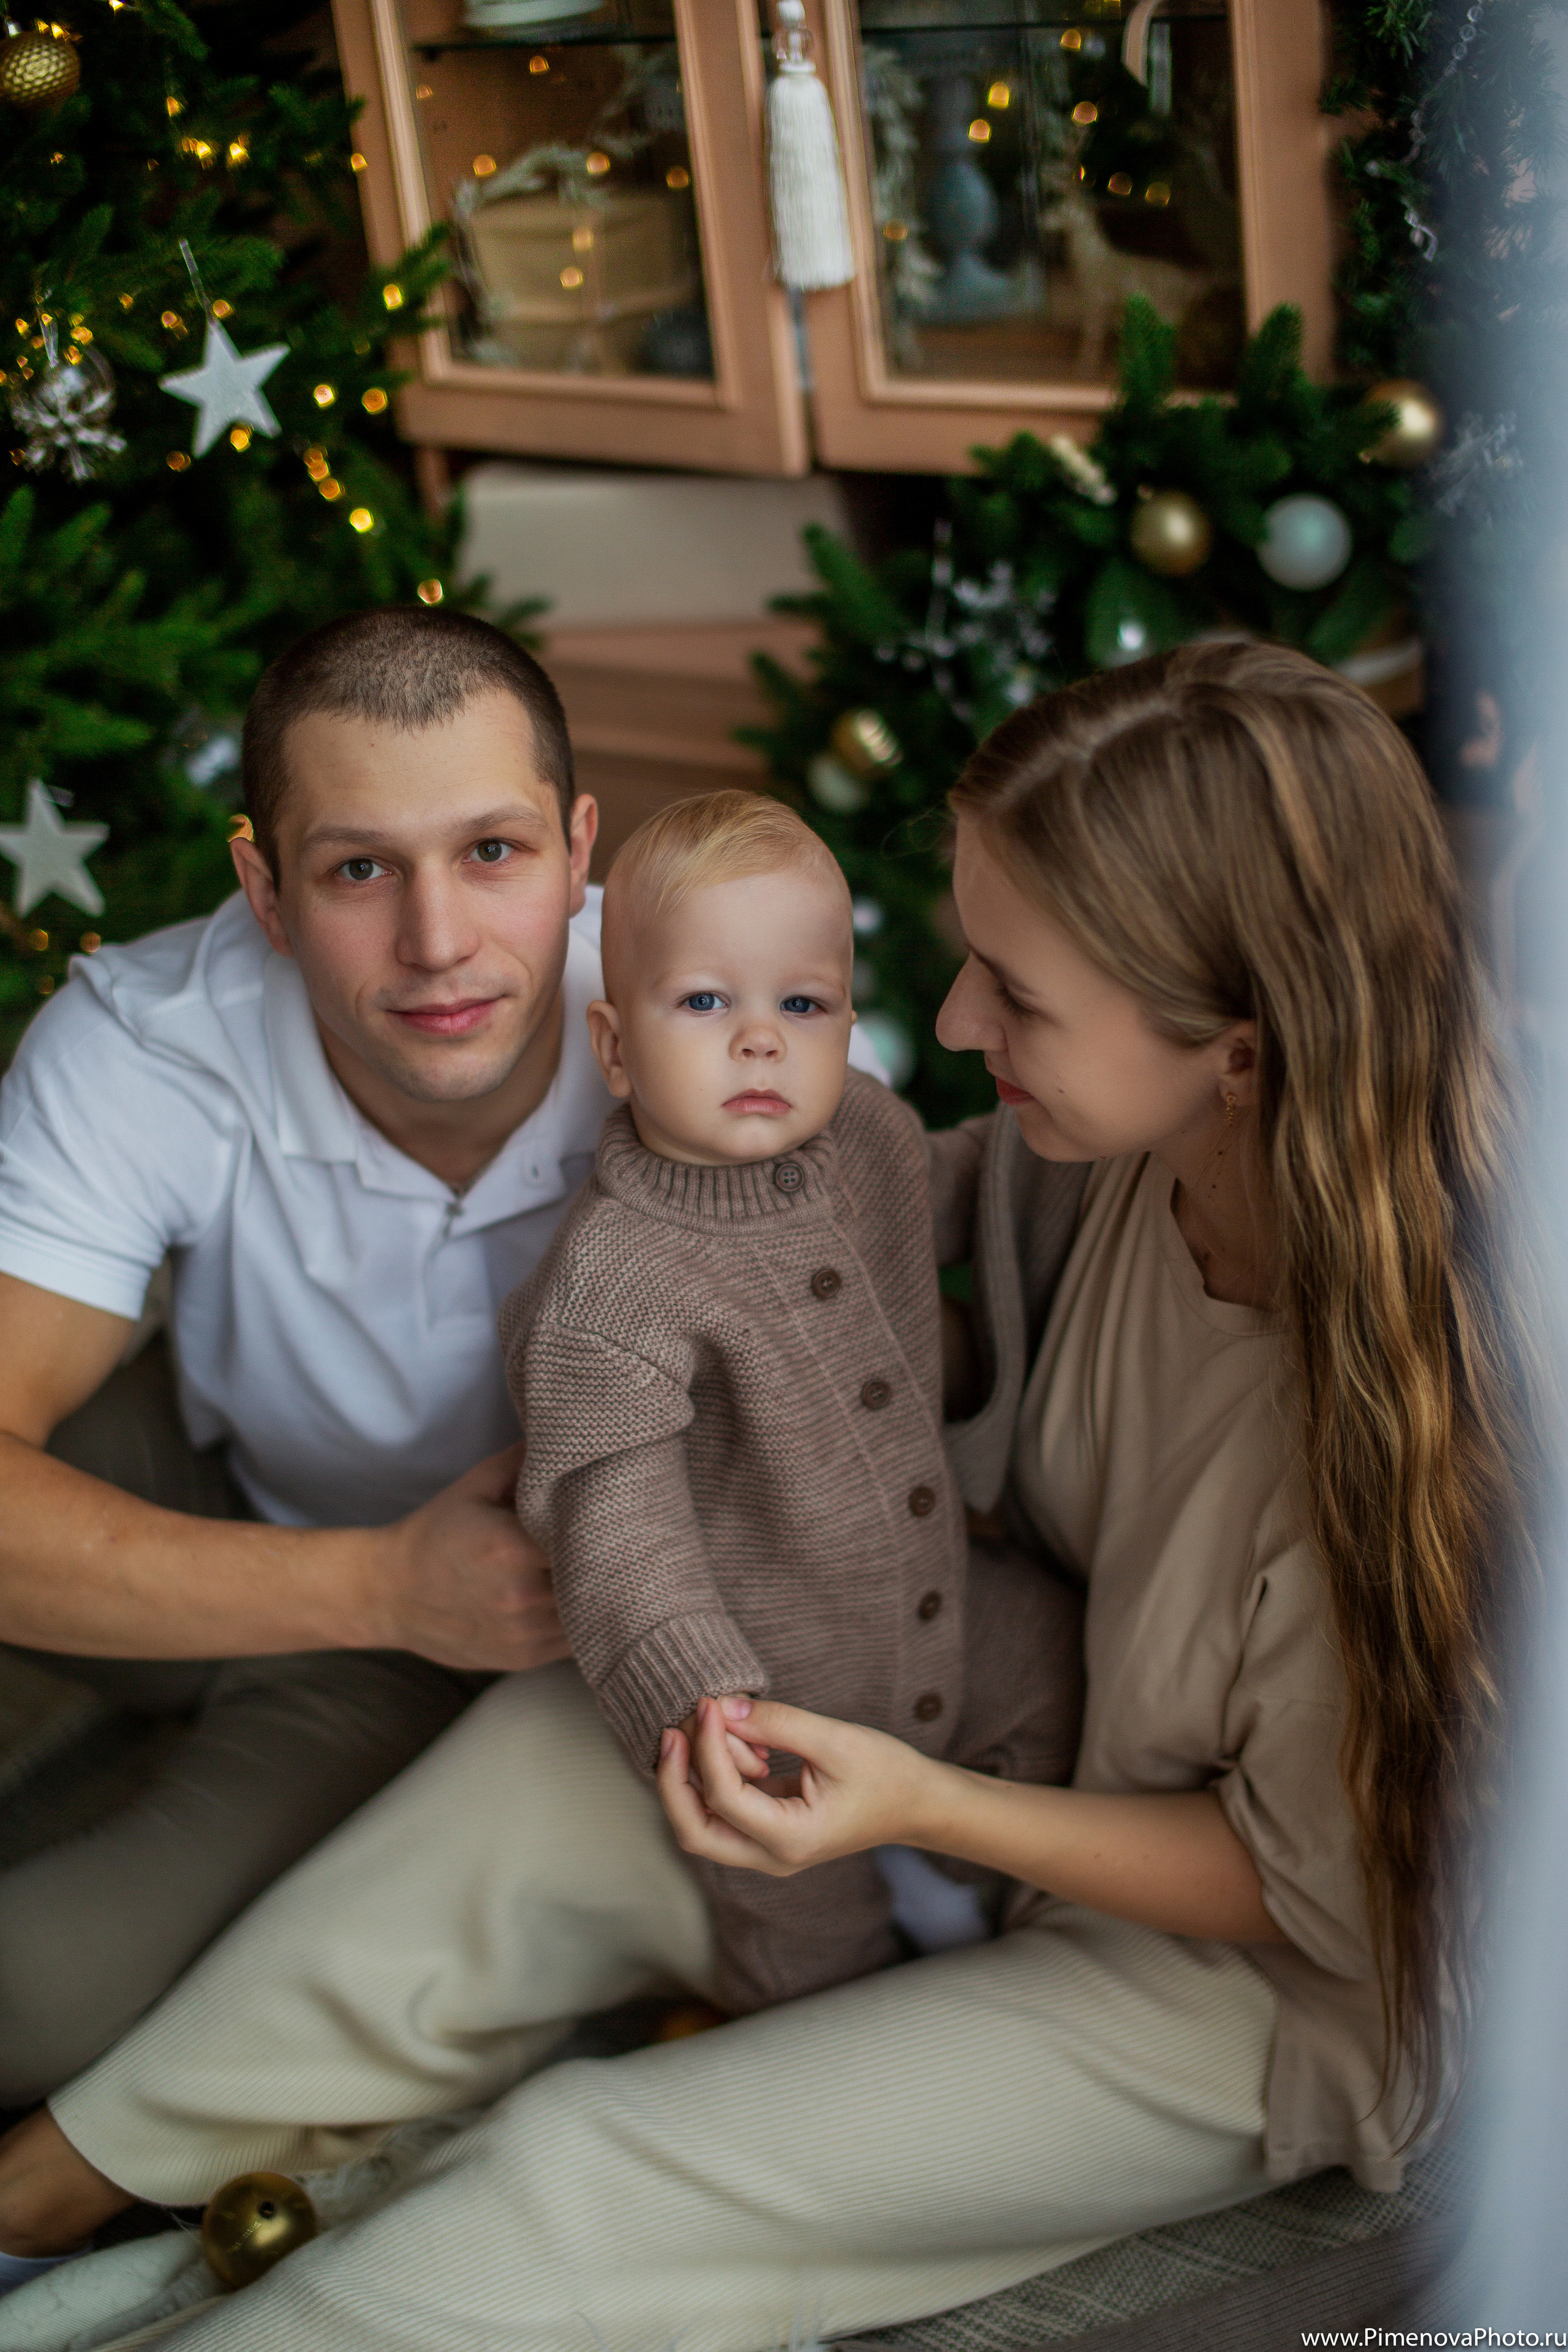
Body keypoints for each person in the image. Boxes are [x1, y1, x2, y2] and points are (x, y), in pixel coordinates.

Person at [0, 642, 1540, 2352]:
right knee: (527, 1772)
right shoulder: (1105, 1165)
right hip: (964, 1710)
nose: (948, 1027)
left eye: (1014, 996)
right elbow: (839, 1250)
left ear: (1237, 1051)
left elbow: (1316, 1888)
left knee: (583, 2165)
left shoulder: (1420, 1410)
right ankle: (66, 2178)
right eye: (966, 961)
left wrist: (921, 1806)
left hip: (1227, 1974)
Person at [0, 603, 605, 2100]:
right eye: (357, 871)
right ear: (264, 892)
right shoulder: (146, 1041)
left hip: (531, 1632)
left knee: (28, 1999)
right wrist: (378, 1581)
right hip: (256, 1500)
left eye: (493, 851)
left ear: (580, 851)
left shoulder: (731, 1029)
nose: (437, 944)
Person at [508, 790, 1080, 2013]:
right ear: (614, 1046)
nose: (760, 1041)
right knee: (789, 1899)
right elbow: (615, 1514)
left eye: (803, 1006)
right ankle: (821, 2030)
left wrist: (1063, 1147)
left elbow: (954, 1188)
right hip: (772, 1688)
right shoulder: (613, 1280)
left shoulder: (864, 1133)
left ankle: (990, 1911)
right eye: (704, 1003)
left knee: (1053, 1656)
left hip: (937, 1608)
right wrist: (702, 1697)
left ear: (845, 1026)